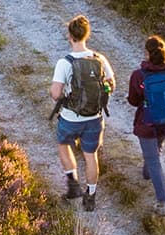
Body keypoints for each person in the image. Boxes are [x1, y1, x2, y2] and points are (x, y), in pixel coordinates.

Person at [47, 14, 116, 212]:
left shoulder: (64, 63)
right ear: (87, 35)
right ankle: (90, 196)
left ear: (70, 36)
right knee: (91, 156)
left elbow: (55, 94)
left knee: (63, 145)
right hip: (94, 117)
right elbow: (111, 85)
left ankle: (73, 184)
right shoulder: (100, 59)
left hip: (70, 117)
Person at [124, 35, 165, 211]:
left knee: (153, 160)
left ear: (147, 53)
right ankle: (146, 173)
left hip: (147, 123)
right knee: (154, 150)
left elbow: (133, 100)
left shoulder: (138, 76)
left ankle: (163, 201)